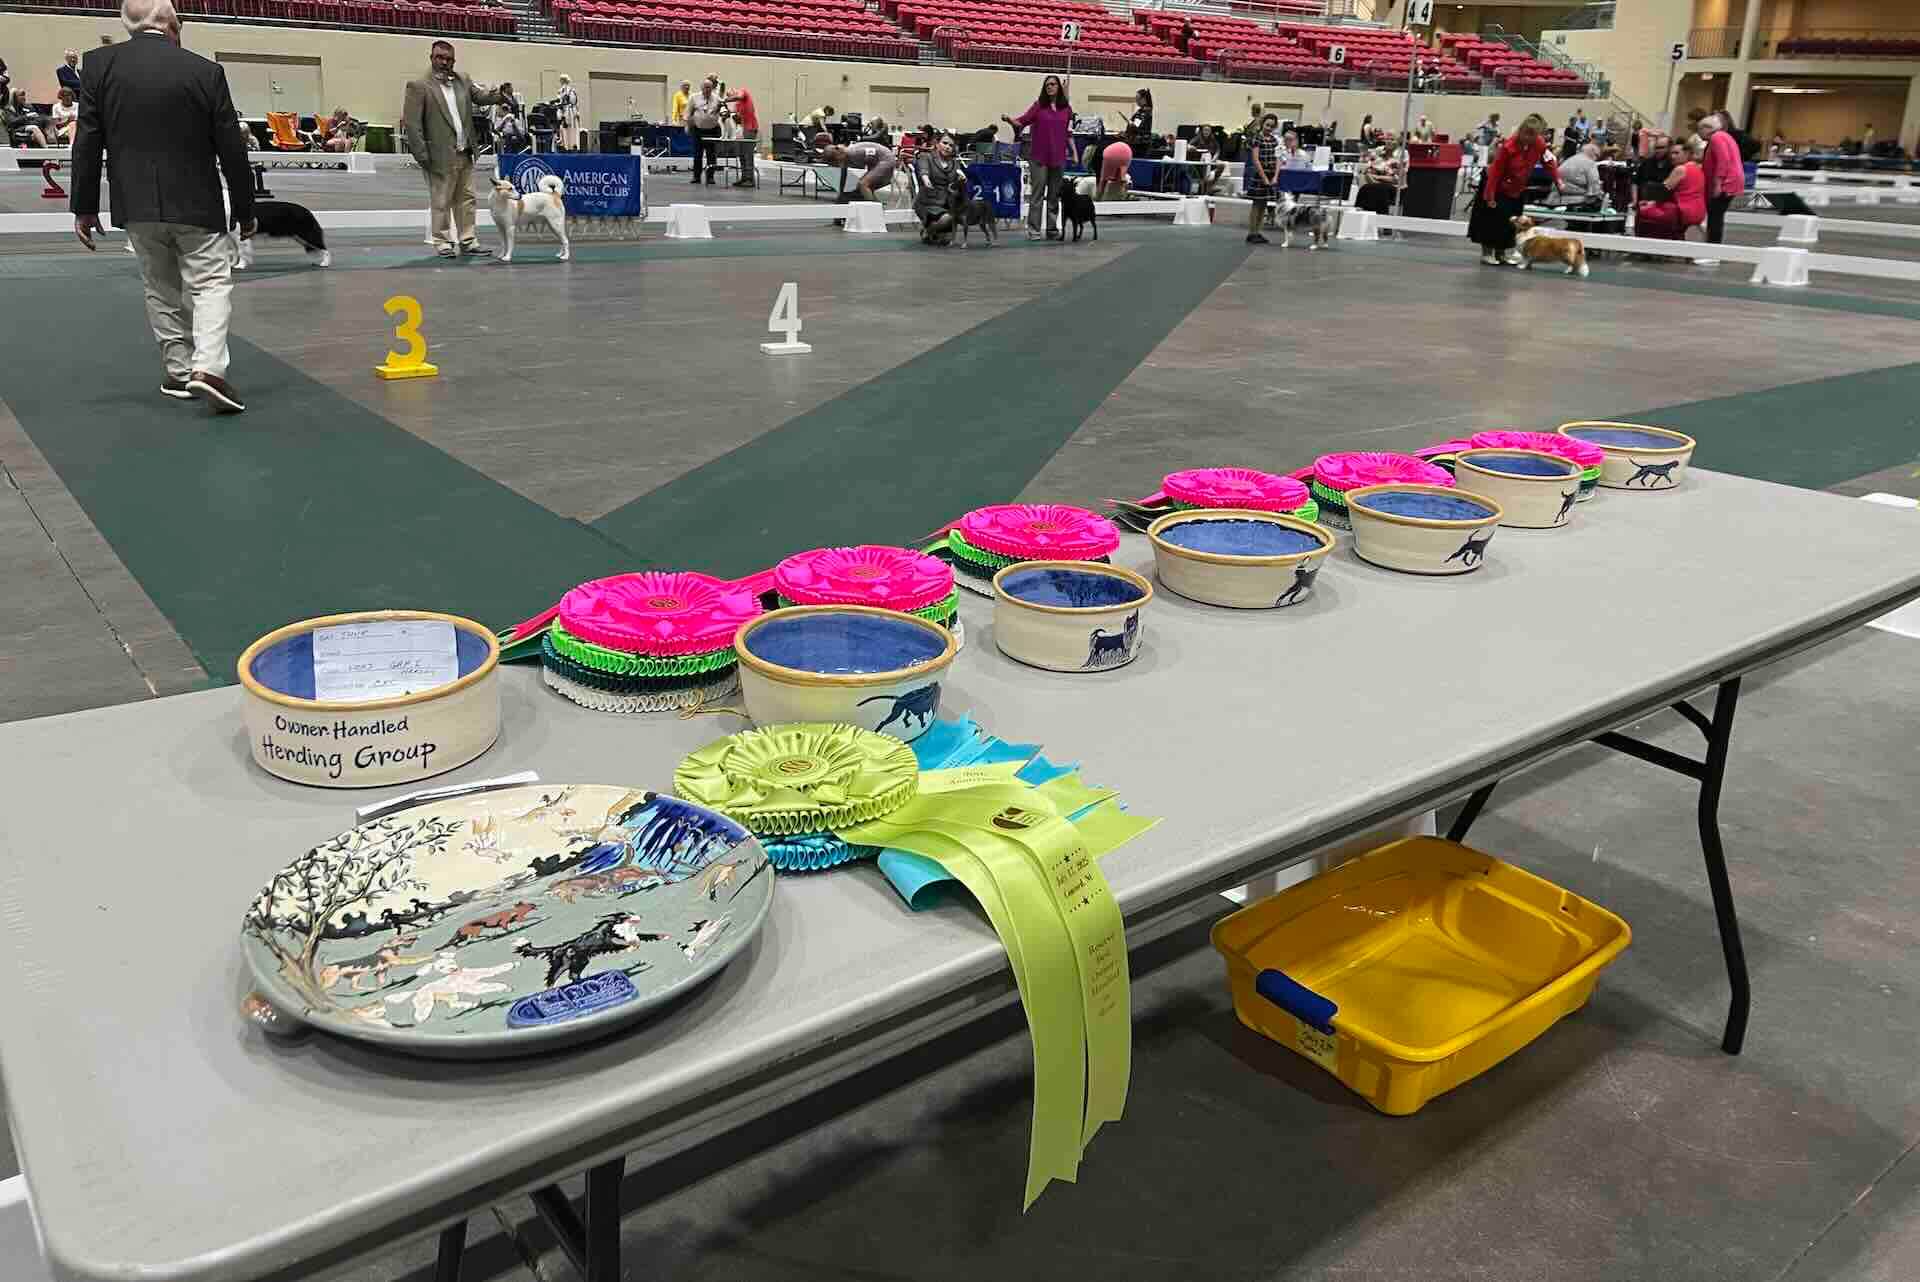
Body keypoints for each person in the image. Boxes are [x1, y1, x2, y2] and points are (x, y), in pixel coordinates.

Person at [72, 0, 253, 411]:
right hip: (196, 203)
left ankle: (177, 370)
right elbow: (231, 149)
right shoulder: (206, 71)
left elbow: (86, 142)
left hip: (135, 204)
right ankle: (208, 370)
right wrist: (245, 210)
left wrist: (83, 207)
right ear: (171, 23)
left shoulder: (99, 66)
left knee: (159, 287)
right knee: (210, 284)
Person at [402, 40, 506, 258]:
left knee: (467, 199)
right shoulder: (418, 85)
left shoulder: (463, 80)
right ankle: (442, 242)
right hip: (437, 155)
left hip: (464, 151)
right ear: (431, 58)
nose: (444, 62)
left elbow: (481, 96)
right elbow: (412, 125)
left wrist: (500, 94)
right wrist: (422, 156)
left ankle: (468, 240)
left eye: (448, 59)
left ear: (454, 61)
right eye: (439, 57)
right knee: (441, 200)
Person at [1469, 112, 1561, 267]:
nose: (1530, 138)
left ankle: (1502, 254)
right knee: (1492, 221)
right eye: (1527, 133)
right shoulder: (1508, 147)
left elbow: (1549, 162)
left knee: (1510, 223)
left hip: (1516, 188)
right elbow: (1496, 172)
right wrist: (1490, 196)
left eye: (1534, 135)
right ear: (1521, 130)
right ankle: (1487, 254)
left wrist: (1557, 180)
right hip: (1495, 186)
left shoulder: (1538, 143)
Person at [1004, 74, 1071, 241]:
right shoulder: (1038, 106)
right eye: (1047, 84)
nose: (1050, 87)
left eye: (1053, 84)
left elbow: (1068, 133)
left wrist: (1073, 153)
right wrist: (1010, 121)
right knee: (1037, 195)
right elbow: (1023, 121)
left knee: (1054, 196)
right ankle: (1034, 230)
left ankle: (1052, 230)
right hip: (1039, 157)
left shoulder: (1067, 109)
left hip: (1059, 157)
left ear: (1059, 87)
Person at [1636, 137, 1706, 242]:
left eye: (1676, 153)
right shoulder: (1698, 168)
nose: (1672, 157)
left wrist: (1647, 197)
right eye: (1671, 153)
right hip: (1699, 212)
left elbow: (1661, 191)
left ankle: (1643, 247)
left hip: (1683, 211)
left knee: (1642, 209)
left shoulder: (1680, 169)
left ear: (1687, 154)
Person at [1697, 111, 1744, 253]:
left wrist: (1718, 184)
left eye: (1699, 129)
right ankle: (1712, 247)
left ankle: (1712, 250)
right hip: (1731, 181)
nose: (1698, 134)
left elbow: (1723, 162)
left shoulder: (1717, 138)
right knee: (1716, 215)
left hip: (1726, 183)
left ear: (1707, 128)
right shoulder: (1723, 136)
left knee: (1715, 216)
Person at [912, 131, 966, 244]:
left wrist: (961, 182)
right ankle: (929, 230)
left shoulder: (955, 164)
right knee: (947, 219)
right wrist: (925, 178)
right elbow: (923, 170)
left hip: (947, 203)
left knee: (945, 240)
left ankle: (934, 230)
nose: (947, 147)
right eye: (945, 143)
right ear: (937, 144)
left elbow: (955, 187)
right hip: (928, 202)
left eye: (951, 145)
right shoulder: (926, 157)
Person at [821, 135, 895, 203]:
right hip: (877, 161)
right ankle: (876, 205)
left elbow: (874, 154)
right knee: (862, 187)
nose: (837, 165)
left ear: (837, 156)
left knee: (863, 184)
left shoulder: (853, 153)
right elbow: (843, 176)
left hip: (886, 159)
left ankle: (874, 210)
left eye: (835, 163)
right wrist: (841, 193)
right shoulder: (844, 154)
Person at [1240, 112, 1277, 245]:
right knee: (1256, 205)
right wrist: (1264, 178)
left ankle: (1258, 232)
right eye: (1267, 125)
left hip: (1270, 174)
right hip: (1260, 175)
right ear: (1262, 124)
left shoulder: (1274, 140)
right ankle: (1251, 233)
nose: (1269, 128)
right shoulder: (1257, 138)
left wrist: (1273, 177)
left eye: (1272, 126)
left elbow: (1277, 158)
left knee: (1264, 204)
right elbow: (1256, 160)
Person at [684, 75, 722, 185]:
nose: (707, 89)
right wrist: (687, 125)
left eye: (709, 87)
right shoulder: (693, 97)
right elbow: (687, 113)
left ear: (712, 88)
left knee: (711, 155)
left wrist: (724, 112)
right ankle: (696, 177)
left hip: (712, 130)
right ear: (701, 88)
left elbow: (723, 111)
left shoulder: (717, 99)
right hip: (697, 130)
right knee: (697, 154)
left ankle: (710, 177)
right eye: (705, 87)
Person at [724, 84, 758, 187]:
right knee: (742, 154)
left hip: (750, 128)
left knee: (748, 154)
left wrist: (725, 100)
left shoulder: (743, 92)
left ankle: (750, 179)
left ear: (735, 92)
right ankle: (744, 178)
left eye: (730, 95)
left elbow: (738, 96)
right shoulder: (738, 105)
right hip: (742, 129)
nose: (731, 98)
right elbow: (737, 117)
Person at [1557, 141, 1603, 210]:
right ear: (1594, 154)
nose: (1596, 159)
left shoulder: (1569, 160)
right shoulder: (1590, 163)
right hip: (1578, 202)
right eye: (1597, 156)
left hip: (1558, 199)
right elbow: (1594, 187)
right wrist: (1601, 195)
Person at [1354, 146, 1399, 214]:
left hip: (1390, 186)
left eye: (1387, 151)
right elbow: (1368, 174)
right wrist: (1374, 180)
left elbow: (1395, 179)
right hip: (1375, 184)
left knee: (1381, 189)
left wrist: (1378, 177)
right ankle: (1363, 211)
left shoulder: (1396, 162)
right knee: (1365, 188)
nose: (1385, 152)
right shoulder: (1377, 161)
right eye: (1384, 150)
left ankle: (1381, 213)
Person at [1086, 136, 1132, 202]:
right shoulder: (1105, 146)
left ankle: (1099, 198)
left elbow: (1102, 180)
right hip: (1127, 150)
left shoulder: (1098, 157)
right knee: (1121, 177)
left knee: (1103, 180)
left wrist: (1098, 197)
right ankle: (1122, 198)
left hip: (1111, 153)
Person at [1190, 123, 1225, 193]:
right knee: (1204, 169)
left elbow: (1217, 150)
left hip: (1210, 161)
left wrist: (1214, 159)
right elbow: (1189, 145)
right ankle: (1207, 188)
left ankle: (1210, 185)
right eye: (1205, 130)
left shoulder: (1213, 139)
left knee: (1222, 165)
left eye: (1208, 130)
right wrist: (1191, 147)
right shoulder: (1197, 138)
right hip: (1199, 161)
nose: (1206, 132)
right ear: (1202, 131)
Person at [555, 73, 580, 151]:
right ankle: (564, 145)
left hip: (570, 113)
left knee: (571, 129)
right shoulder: (560, 91)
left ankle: (572, 145)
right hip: (564, 111)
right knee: (564, 129)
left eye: (562, 80)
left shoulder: (571, 91)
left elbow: (573, 101)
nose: (562, 82)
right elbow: (559, 101)